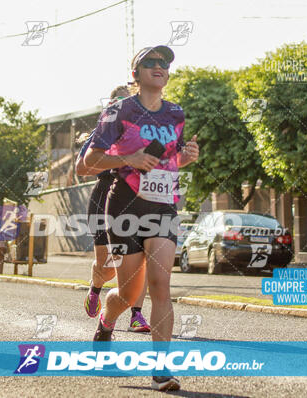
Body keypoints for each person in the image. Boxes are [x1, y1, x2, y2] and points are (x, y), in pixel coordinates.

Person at [84, 46, 199, 391]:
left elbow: (169, 160)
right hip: (124, 206)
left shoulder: (175, 113)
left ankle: (161, 368)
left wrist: (186, 157)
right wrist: (128, 158)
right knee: (128, 291)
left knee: (161, 286)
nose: (159, 67)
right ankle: (107, 321)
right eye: (151, 63)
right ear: (135, 74)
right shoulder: (120, 111)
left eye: (164, 63)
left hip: (163, 204)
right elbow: (90, 160)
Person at [75, 85, 150, 333]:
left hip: (138, 197)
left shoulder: (146, 130)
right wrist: (118, 159)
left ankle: (136, 315)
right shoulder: (103, 131)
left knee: (142, 262)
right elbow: (81, 169)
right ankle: (96, 287)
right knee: (107, 268)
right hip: (105, 196)